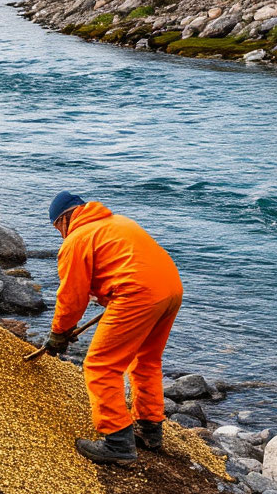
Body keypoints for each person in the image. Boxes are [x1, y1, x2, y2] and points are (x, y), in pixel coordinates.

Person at [45, 190, 183, 466]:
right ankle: (149, 430)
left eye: (58, 228)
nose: (60, 235)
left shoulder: (77, 239)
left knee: (100, 365)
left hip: (137, 294)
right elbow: (127, 264)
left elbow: (72, 296)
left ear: (63, 220)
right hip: (171, 290)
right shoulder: (118, 222)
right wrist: (110, 295)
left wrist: (59, 333)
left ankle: (117, 442)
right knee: (146, 361)